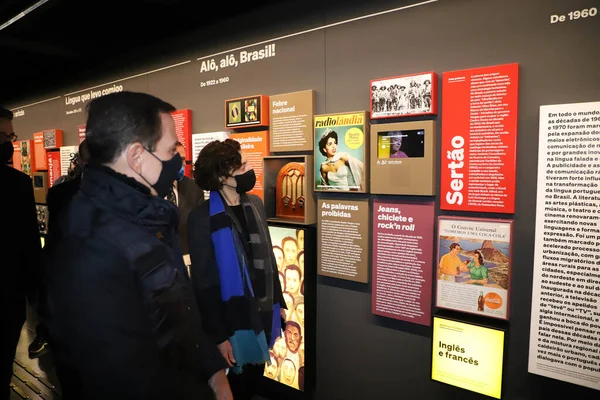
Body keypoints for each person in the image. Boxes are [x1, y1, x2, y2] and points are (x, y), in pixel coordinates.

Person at [43, 92, 231, 399]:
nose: (178, 159)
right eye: (171, 150)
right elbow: (120, 378)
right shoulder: (90, 245)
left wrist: (212, 369)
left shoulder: (148, 217)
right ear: (137, 157)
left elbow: (177, 312)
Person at [188, 138, 285, 400]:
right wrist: (219, 337)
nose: (247, 170)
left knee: (253, 382)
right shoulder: (200, 218)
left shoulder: (255, 204)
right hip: (232, 323)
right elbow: (204, 284)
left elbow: (269, 258)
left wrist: (280, 302)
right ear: (222, 176)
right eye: (241, 167)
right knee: (237, 390)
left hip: (262, 313)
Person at [0, 106, 42, 400]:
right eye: (4, 136)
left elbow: (28, 246)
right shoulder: (17, 185)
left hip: (8, 302)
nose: (9, 143)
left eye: (11, 136)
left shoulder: (18, 183)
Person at [165, 142, 203, 256]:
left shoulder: (194, 188)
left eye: (183, 160)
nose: (181, 164)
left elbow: (199, 229)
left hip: (186, 258)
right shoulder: (149, 188)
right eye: (177, 159)